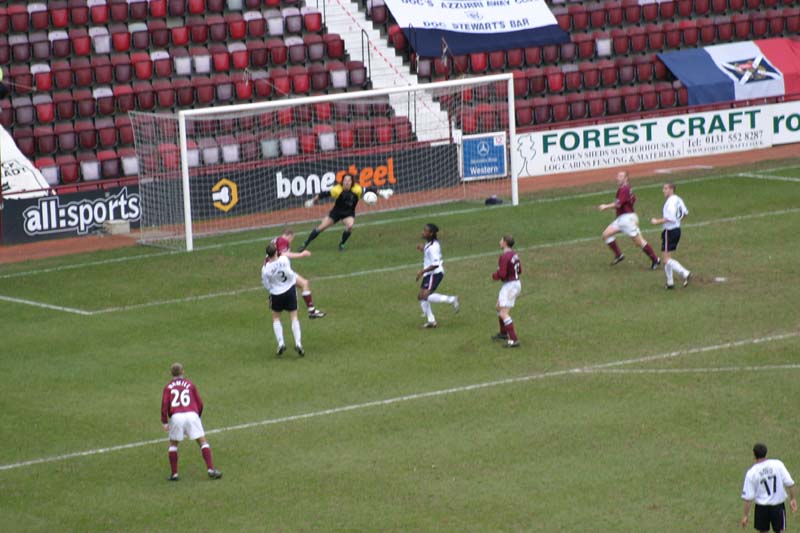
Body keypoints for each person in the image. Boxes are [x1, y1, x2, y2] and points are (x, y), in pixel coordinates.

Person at [160, 362, 222, 481]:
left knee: (173, 445)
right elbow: (200, 403)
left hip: (176, 416)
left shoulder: (168, 387)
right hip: (192, 414)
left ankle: (174, 474)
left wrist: (164, 421)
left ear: (170, 373)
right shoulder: (189, 384)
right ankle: (210, 469)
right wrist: (197, 416)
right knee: (202, 442)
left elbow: (164, 405)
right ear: (183, 372)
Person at [598, 170, 661, 269]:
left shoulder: (624, 189)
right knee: (606, 234)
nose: (618, 178)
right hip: (622, 219)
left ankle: (655, 259)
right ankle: (619, 255)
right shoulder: (625, 189)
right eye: (618, 176)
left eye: (621, 176)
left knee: (639, 242)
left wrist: (605, 206)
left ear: (626, 178)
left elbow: (618, 204)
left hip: (627, 220)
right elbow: (633, 199)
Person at [299, 175, 373, 252]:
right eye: (345, 180)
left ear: (352, 182)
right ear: (342, 181)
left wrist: (381, 192)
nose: (347, 182)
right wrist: (313, 201)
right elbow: (324, 194)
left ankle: (342, 244)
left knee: (350, 226)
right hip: (336, 213)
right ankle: (305, 243)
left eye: (349, 180)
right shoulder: (337, 189)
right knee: (320, 228)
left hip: (348, 213)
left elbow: (369, 189)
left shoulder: (357, 189)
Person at [741, 442, 797, 532]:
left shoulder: (752, 473)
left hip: (761, 508)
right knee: (780, 531)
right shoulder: (778, 464)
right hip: (778, 506)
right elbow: (790, 483)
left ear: (754, 455)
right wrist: (792, 499)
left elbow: (748, 498)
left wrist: (745, 515)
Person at [262, 241, 305, 356]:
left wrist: (273, 288)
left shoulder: (266, 269)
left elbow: (266, 285)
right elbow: (291, 274)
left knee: (276, 318)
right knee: (294, 317)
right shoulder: (284, 260)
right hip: (290, 291)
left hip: (276, 294)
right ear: (276, 252)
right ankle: (298, 343)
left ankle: (281, 343)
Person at [273, 229, 326, 318]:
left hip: (275, 270)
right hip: (282, 271)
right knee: (304, 283)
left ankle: (311, 311)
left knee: (302, 284)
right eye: (292, 239)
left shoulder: (275, 240)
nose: (291, 241)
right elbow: (284, 254)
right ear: (290, 236)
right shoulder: (283, 240)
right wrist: (301, 254)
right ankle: (311, 311)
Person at [415, 223, 459, 328]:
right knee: (421, 297)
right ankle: (431, 321)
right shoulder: (430, 244)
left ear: (431, 233)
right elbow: (428, 250)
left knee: (425, 296)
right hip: (429, 274)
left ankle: (452, 299)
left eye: (425, 231)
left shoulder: (433, 247)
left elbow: (435, 264)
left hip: (435, 273)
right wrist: (423, 249)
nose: (423, 232)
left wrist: (422, 271)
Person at [650, 183, 692, 289]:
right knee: (666, 257)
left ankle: (685, 273)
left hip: (670, 231)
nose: (663, 190)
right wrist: (678, 221)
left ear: (671, 189)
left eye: (665, 188)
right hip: (677, 230)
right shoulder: (678, 199)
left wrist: (656, 221)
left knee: (666, 259)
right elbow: (685, 213)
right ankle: (670, 283)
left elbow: (670, 218)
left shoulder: (670, 203)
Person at [492, 235, 522, 348]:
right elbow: (520, 270)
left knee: (504, 313)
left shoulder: (504, 257)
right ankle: (504, 333)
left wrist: (494, 276)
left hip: (510, 286)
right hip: (515, 283)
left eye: (501, 240)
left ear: (504, 243)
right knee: (498, 307)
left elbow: (502, 274)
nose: (499, 241)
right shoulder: (515, 254)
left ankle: (513, 339)